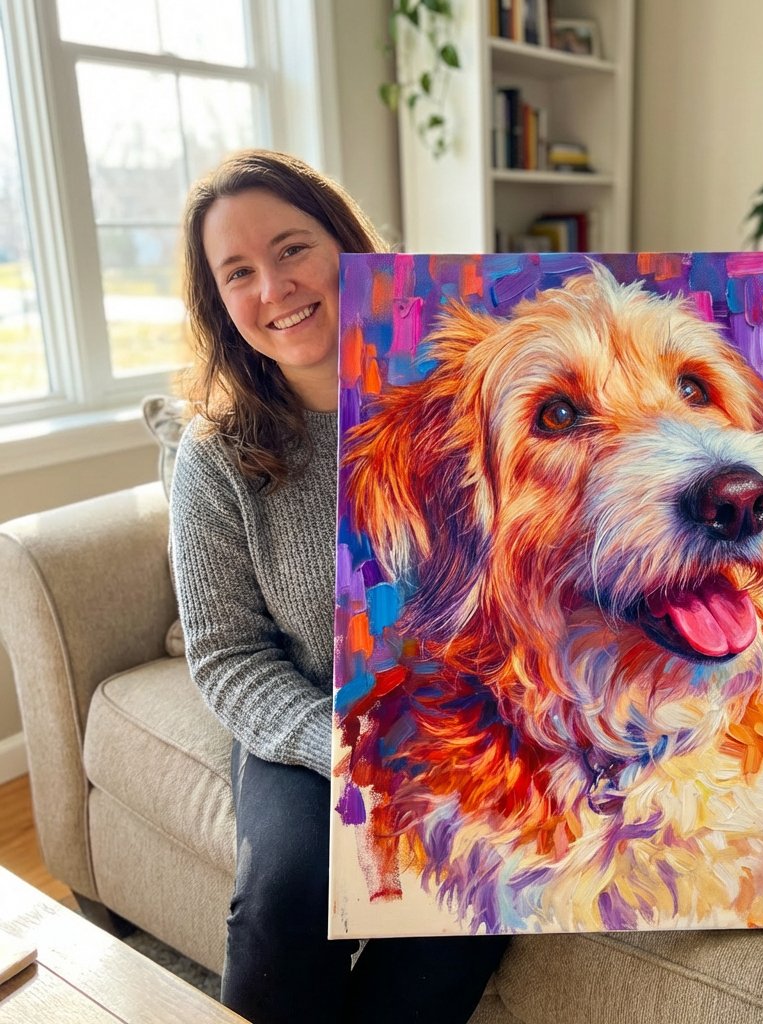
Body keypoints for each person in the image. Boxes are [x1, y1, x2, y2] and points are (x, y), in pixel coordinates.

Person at [170, 149, 509, 1024]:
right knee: (286, 893)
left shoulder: (465, 396)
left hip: (461, 722)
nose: (274, 287)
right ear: (220, 304)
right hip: (307, 720)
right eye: (238, 272)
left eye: (291, 249)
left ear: (345, 246)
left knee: (467, 894)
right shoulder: (214, 458)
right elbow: (227, 657)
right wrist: (344, 751)